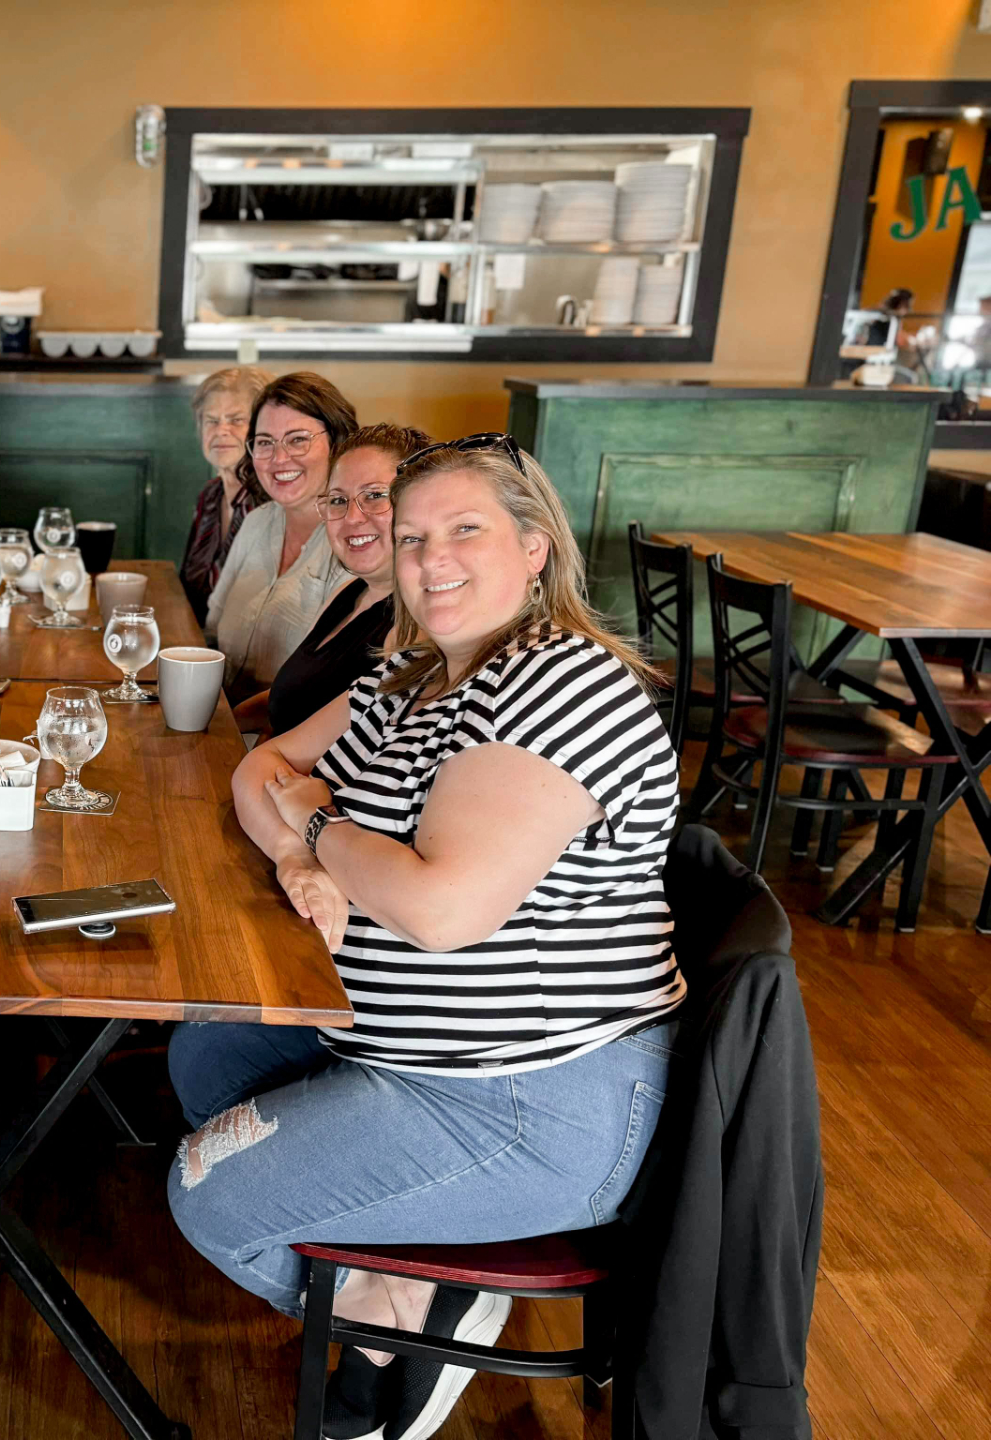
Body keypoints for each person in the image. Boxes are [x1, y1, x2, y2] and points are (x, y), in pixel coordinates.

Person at [168, 433, 685, 1440]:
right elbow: (258, 766)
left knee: (206, 1196)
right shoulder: (418, 672)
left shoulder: (560, 686)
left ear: (535, 548)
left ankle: (394, 1318)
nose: (429, 560)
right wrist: (307, 863)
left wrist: (320, 825)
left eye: (464, 532)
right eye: (411, 539)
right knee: (208, 1050)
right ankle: (392, 1274)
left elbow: (439, 911)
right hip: (399, 1040)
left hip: (528, 1097)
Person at [249, 422, 432, 737]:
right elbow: (297, 695)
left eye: (375, 495)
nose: (352, 517)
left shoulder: (421, 624)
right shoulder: (353, 592)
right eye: (338, 500)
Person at [204, 373, 359, 697]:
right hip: (220, 721)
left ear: (337, 441)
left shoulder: (355, 542)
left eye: (298, 439)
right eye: (265, 442)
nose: (279, 458)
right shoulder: (257, 522)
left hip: (285, 739)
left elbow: (330, 690)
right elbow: (213, 633)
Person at [179, 366, 272, 624]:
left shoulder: (272, 502)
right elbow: (187, 588)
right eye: (212, 420)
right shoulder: (209, 496)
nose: (221, 430)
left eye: (236, 420)